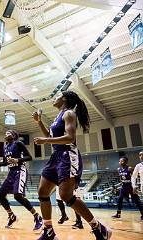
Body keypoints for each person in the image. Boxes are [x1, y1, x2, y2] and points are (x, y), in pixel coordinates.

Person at [32, 91, 111, 240]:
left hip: (68, 155)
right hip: (56, 156)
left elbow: (70, 137)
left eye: (57, 96)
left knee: (66, 196)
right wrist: (39, 122)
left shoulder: (69, 114)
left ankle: (98, 228)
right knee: (43, 192)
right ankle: (48, 231)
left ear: (65, 99)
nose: (54, 98)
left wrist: (45, 141)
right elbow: (51, 137)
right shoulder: (58, 116)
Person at [0, 130, 42, 231]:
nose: (6, 134)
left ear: (14, 136)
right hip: (11, 173)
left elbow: (30, 157)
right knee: (0, 196)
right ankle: (12, 216)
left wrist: (17, 160)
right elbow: (4, 163)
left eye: (9, 133)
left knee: (17, 196)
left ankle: (37, 216)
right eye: (5, 133)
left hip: (20, 171)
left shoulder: (18, 143)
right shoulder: (5, 147)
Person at [112, 156, 143, 221]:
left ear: (124, 162)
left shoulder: (129, 168)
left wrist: (135, 186)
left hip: (130, 186)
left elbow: (134, 177)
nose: (119, 162)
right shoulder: (118, 169)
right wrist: (120, 185)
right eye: (119, 161)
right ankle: (118, 214)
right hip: (123, 186)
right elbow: (121, 178)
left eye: (121, 161)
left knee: (137, 201)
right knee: (120, 199)